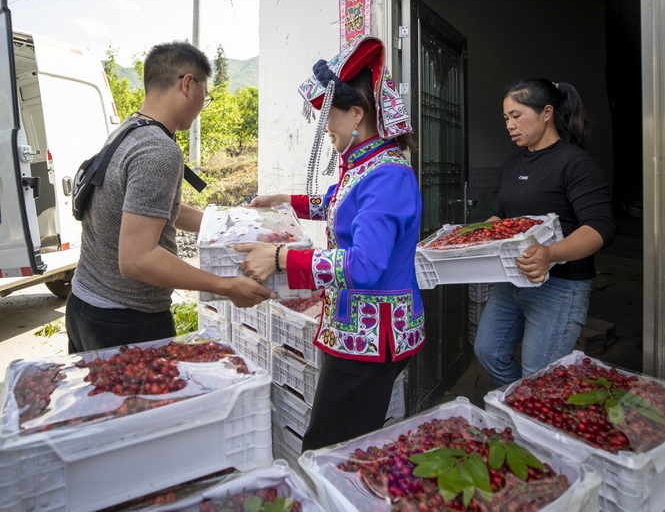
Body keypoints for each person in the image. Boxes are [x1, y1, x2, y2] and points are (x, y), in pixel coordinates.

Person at [237, 36, 424, 451]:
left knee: (329, 448)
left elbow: (365, 265)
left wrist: (283, 257)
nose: (326, 130)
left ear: (357, 113)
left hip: (372, 342)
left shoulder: (387, 175)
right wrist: (287, 200)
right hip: (357, 332)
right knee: (346, 442)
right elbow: (341, 203)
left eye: (329, 119)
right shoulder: (366, 165)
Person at [66, 41, 272, 354]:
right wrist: (227, 287)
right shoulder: (159, 151)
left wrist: (224, 224)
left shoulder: (130, 130)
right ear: (188, 83)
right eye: (207, 92)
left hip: (84, 305)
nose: (205, 101)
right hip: (124, 321)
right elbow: (137, 259)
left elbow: (151, 210)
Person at [474, 78, 616, 386]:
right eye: (506, 118)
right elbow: (505, 213)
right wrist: (480, 232)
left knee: (539, 376)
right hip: (513, 278)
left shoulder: (575, 163)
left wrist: (551, 253)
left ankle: (532, 414)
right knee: (488, 351)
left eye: (516, 115)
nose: (510, 125)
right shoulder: (511, 163)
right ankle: (523, 405)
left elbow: (601, 227)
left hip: (561, 287)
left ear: (547, 112)